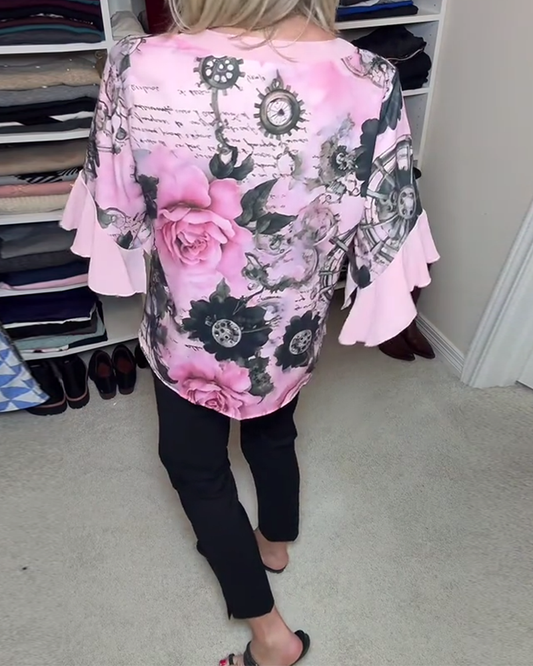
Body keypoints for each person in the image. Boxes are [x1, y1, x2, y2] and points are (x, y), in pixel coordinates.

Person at [61, 0, 439, 663]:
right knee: (273, 427)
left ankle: (271, 638)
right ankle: (274, 542)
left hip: (188, 322)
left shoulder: (138, 63)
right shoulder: (368, 76)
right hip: (290, 324)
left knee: (193, 465)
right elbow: (385, 217)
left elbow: (118, 199)